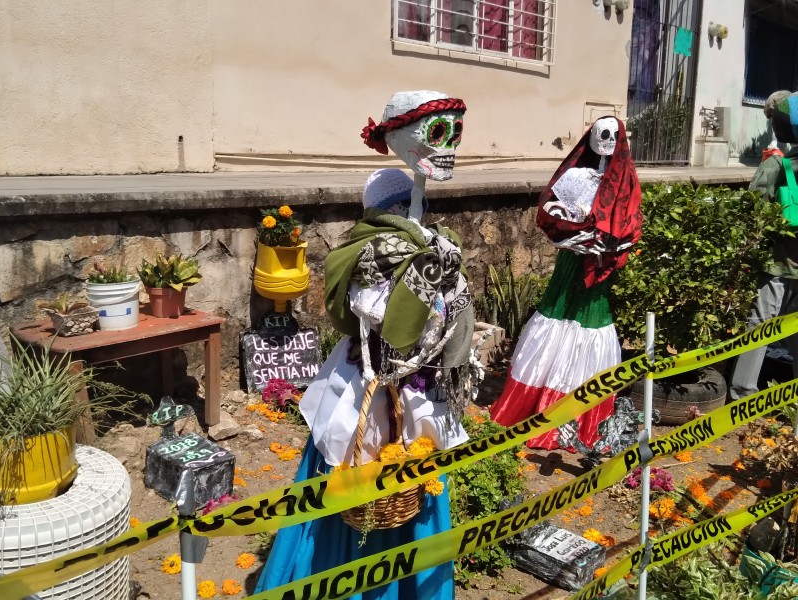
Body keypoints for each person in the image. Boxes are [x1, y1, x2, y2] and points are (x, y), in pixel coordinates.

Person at [255, 91, 475, 599]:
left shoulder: (435, 245)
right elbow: (387, 324)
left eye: (407, 205)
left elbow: (443, 318)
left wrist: (438, 274)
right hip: (370, 385)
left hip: (419, 388)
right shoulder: (367, 253)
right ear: (378, 212)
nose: (403, 213)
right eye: (394, 207)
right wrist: (422, 272)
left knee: (416, 481)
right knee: (354, 475)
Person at [489, 117, 642, 452]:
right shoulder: (574, 178)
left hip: (598, 271)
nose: (606, 141)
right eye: (601, 134)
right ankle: (537, 406)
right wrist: (575, 238)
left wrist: (610, 245)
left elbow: (631, 225)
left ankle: (582, 414)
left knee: (591, 321)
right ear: (589, 138)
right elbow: (549, 215)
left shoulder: (625, 183)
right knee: (556, 315)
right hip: (571, 265)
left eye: (614, 136)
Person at [729, 90, 798, 401]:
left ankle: (743, 394)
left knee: (760, 327)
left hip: (777, 263)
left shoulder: (776, 166)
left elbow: (752, 212)